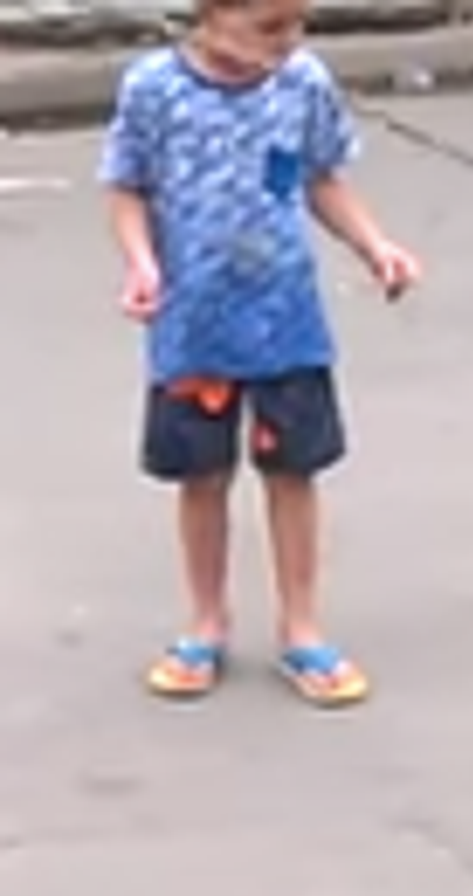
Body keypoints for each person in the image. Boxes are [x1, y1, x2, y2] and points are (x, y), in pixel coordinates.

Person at [99, 0, 422, 707]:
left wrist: (375, 247)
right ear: (211, 15)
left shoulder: (303, 82)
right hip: (193, 326)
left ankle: (302, 628)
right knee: (201, 475)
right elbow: (126, 185)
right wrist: (142, 263)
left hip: (286, 321)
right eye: (269, 27)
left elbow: (321, 179)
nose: (289, 41)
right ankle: (205, 622)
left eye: (298, 23)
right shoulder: (154, 88)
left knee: (293, 472)